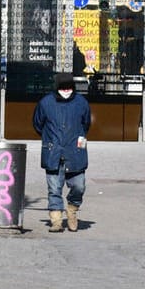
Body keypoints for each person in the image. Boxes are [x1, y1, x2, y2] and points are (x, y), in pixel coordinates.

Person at [32, 72, 91, 234]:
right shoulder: (46, 103)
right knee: (54, 189)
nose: (66, 91)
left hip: (75, 152)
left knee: (79, 186)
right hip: (53, 152)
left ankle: (72, 210)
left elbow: (86, 124)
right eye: (63, 88)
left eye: (68, 88)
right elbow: (38, 124)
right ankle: (56, 220)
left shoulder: (81, 103)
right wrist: (50, 138)